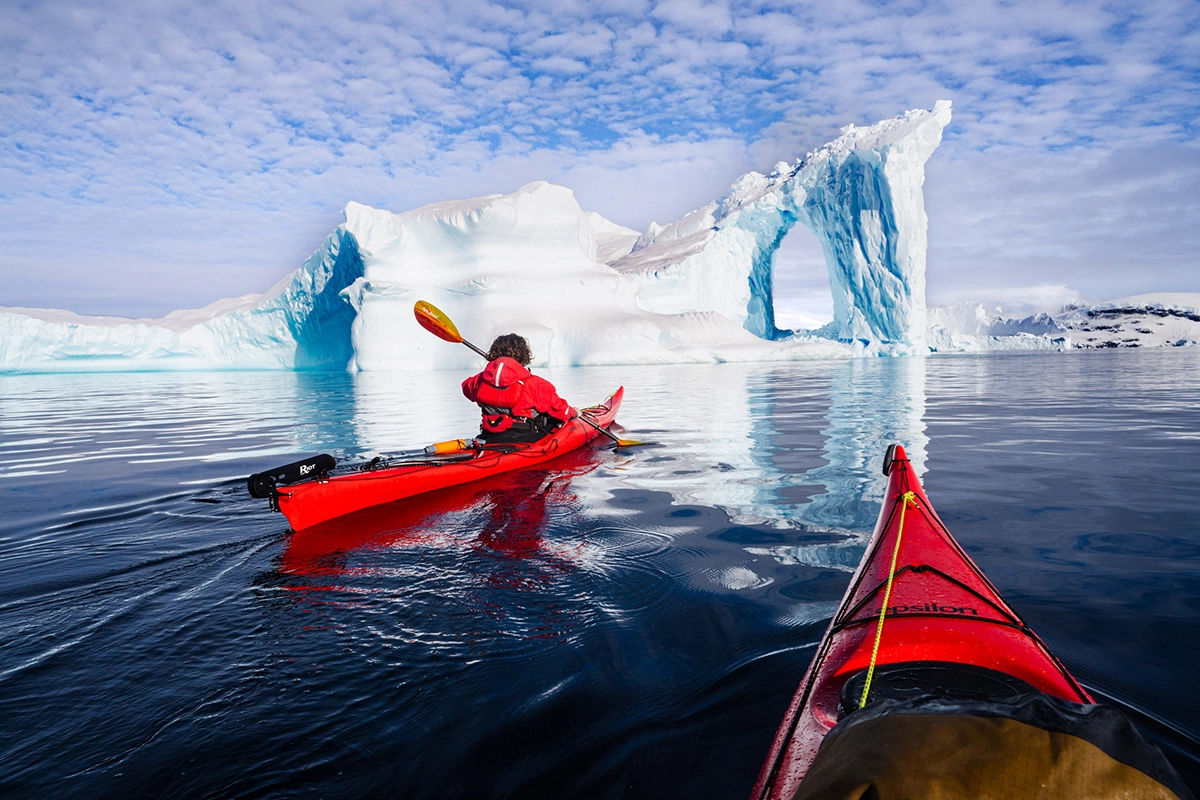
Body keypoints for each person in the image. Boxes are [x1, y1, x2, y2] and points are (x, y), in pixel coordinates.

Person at [461, 333, 576, 443]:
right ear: (523, 355)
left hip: (489, 436)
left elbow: (466, 387)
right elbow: (562, 411)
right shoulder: (536, 384)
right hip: (526, 438)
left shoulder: (479, 381)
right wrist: (573, 413)